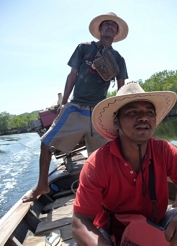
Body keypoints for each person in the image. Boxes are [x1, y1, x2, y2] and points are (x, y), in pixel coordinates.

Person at [63, 82, 177, 246]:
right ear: (116, 122)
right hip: (110, 236)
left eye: (149, 113)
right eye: (132, 112)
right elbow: (80, 223)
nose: (143, 117)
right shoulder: (98, 163)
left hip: (156, 226)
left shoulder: (164, 151)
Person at [22, 12, 128, 203]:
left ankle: (106, 192)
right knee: (46, 143)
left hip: (100, 110)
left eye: (113, 25)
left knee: (103, 156)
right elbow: (72, 75)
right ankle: (42, 186)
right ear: (100, 29)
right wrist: (63, 104)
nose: (110, 27)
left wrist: (118, 112)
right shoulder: (84, 48)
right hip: (77, 106)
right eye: (106, 24)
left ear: (116, 32)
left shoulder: (118, 58)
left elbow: (121, 87)